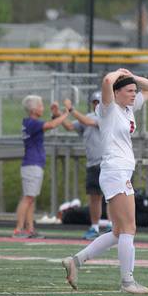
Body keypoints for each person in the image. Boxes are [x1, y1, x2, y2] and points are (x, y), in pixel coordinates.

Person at [61, 69, 148, 294]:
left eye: (135, 91)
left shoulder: (128, 108)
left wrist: (131, 76)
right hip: (115, 171)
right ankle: (127, 282)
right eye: (129, 91)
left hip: (122, 172)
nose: (134, 94)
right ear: (116, 93)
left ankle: (75, 261)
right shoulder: (107, 109)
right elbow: (106, 80)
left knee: (118, 232)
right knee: (129, 228)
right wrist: (117, 74)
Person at [13, 95, 69, 238]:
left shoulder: (31, 123)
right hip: (32, 164)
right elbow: (51, 125)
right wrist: (66, 114)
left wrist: (55, 114)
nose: (42, 108)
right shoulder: (31, 123)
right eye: (40, 105)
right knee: (27, 198)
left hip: (33, 164)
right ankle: (18, 229)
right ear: (33, 109)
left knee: (31, 199)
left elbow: (48, 124)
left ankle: (30, 229)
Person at [61, 92, 111, 240]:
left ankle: (111, 225)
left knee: (110, 197)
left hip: (106, 163)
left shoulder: (107, 117)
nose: (96, 105)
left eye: (99, 102)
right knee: (94, 197)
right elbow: (70, 126)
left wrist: (71, 110)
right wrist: (58, 114)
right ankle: (94, 227)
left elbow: (88, 122)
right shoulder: (88, 116)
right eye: (94, 102)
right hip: (92, 164)